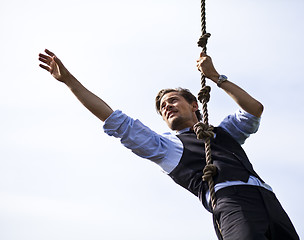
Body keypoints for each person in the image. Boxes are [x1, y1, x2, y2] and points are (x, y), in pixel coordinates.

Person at [38, 49, 299, 240]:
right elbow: (113, 118)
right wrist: (69, 80)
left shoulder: (222, 133)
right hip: (231, 203)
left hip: (270, 200)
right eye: (163, 107)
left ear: (194, 105)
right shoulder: (166, 147)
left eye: (173, 100)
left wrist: (216, 77)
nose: (167, 107)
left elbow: (254, 110)